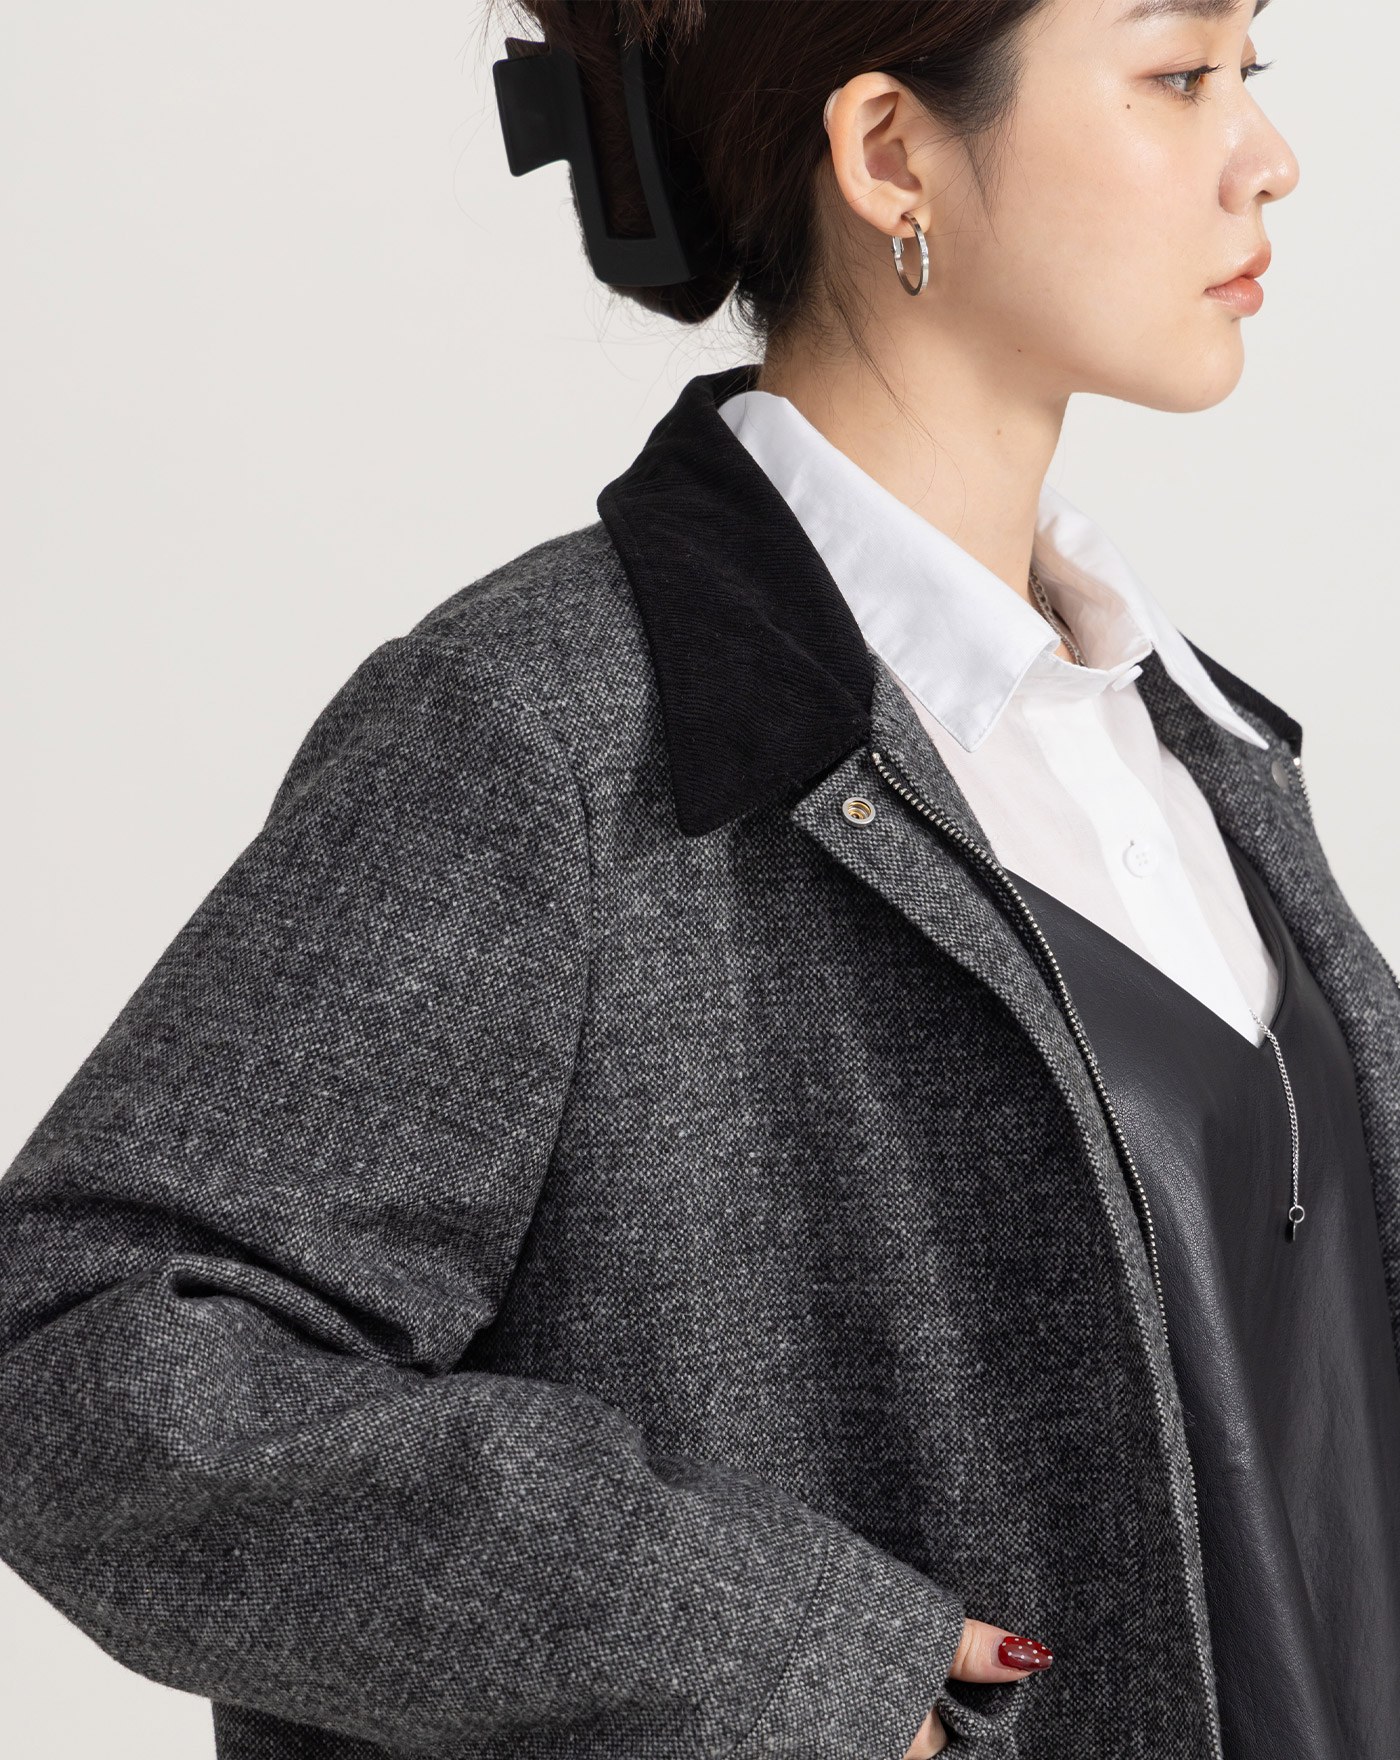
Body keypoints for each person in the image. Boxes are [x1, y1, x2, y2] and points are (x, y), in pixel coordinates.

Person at [4, 2, 1398, 1757]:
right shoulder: (550, 730)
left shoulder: (1176, 740)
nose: (1268, 158)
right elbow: (82, 1358)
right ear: (890, 152)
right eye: (1179, 75)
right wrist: (792, 1663)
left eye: (1251, 74)